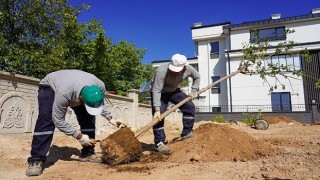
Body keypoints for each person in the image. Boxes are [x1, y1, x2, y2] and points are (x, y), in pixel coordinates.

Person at [26, 69, 125, 176]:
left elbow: (97, 102)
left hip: (75, 85)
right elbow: (58, 120)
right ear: (80, 98)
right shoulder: (64, 92)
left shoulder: (100, 86)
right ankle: (36, 159)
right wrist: (79, 136)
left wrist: (111, 119)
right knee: (47, 118)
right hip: (50, 86)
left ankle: (88, 153)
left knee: (88, 117)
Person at [151, 53, 200, 153]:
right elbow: (156, 90)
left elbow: (197, 76)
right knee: (159, 116)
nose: (174, 73)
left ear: (184, 67)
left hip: (174, 91)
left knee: (189, 106)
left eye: (177, 71)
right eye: (173, 70)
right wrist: (157, 109)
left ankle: (186, 132)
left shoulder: (189, 69)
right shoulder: (161, 70)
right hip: (161, 92)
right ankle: (159, 143)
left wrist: (194, 90)